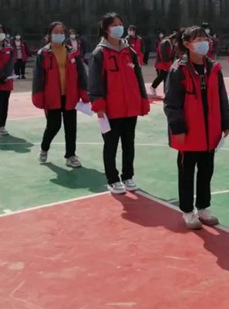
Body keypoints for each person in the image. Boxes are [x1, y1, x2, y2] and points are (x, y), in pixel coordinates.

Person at [164, 26, 229, 229]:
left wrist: (226, 122)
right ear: (187, 44)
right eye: (198, 39)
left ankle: (203, 207)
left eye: (205, 38)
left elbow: (222, 97)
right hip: (189, 133)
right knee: (187, 173)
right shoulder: (179, 70)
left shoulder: (214, 68)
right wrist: (178, 128)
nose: (203, 42)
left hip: (210, 133)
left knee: (206, 172)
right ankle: (187, 211)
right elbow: (171, 103)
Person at [89, 12, 150, 194]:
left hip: (130, 107)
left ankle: (128, 176)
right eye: (114, 24)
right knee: (111, 145)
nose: (118, 27)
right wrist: (98, 105)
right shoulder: (99, 53)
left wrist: (142, 99)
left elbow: (138, 78)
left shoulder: (129, 51)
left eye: (120, 23)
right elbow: (94, 82)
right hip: (110, 109)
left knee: (129, 144)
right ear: (106, 29)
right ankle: (113, 179)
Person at [33, 21, 89, 168]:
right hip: (52, 96)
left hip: (70, 95)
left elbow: (82, 74)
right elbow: (38, 77)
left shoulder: (72, 52)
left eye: (61, 32)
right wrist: (38, 96)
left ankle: (71, 155)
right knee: (54, 125)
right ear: (49, 34)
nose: (59, 35)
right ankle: (44, 148)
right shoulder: (43, 54)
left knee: (71, 127)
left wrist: (84, 92)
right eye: (56, 32)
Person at [150, 31, 175, 97]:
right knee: (161, 77)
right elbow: (163, 54)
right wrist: (167, 65)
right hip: (162, 64)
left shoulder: (170, 44)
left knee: (165, 78)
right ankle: (153, 87)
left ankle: (166, 92)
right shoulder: (165, 42)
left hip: (166, 64)